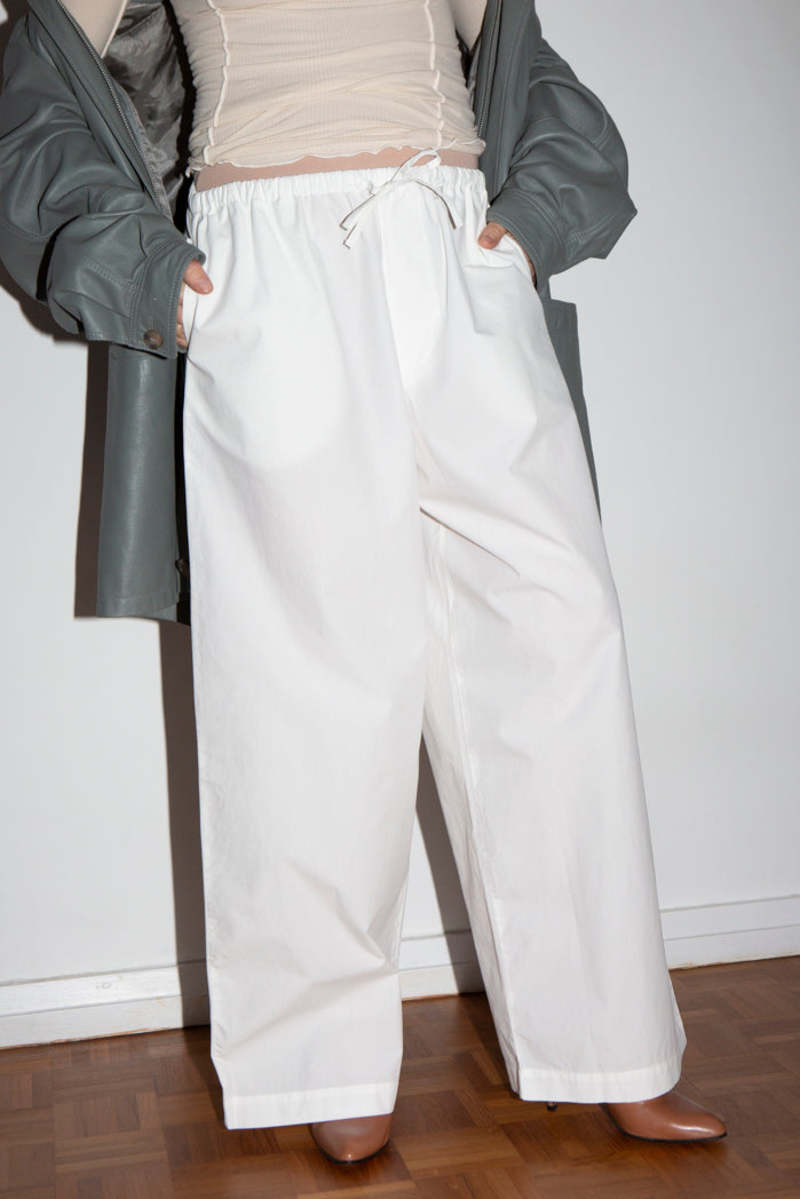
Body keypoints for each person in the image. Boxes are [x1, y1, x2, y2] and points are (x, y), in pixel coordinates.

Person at [0, 0, 726, 1165]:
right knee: (310, 687)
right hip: (269, 258)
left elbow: (527, 65)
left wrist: (521, 231)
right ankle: (325, 1058)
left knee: (557, 645)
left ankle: (614, 1047)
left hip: (458, 240)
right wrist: (154, 273)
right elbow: (33, 91)